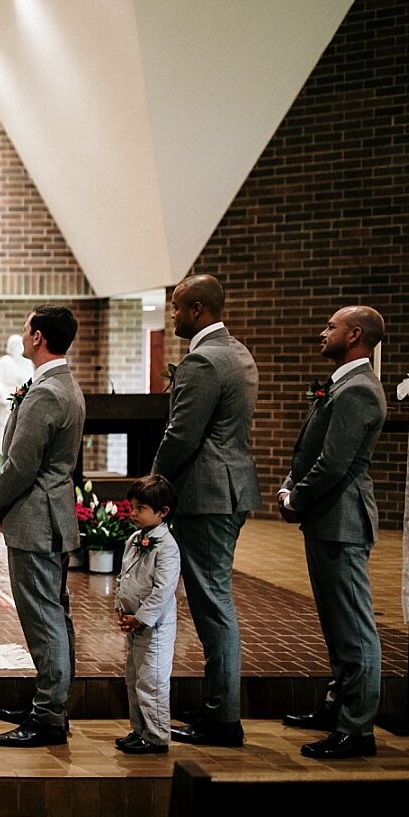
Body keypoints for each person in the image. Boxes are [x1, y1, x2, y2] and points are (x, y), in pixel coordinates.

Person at [151, 274, 259, 747]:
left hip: (206, 495)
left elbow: (181, 435)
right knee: (215, 601)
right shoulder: (239, 353)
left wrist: (153, 484)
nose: (171, 315)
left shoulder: (203, 360)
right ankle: (219, 705)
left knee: (213, 605)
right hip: (231, 489)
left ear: (197, 310)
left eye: (175, 307)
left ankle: (222, 718)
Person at [278, 306, 388, 759]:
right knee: (335, 624)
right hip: (327, 517)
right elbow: (312, 449)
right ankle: (338, 706)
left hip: (342, 518)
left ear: (355, 334)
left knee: (354, 628)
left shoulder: (359, 390)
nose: (322, 333)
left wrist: (296, 497)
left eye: (331, 327)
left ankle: (357, 728)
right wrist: (289, 484)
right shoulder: (343, 383)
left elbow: (334, 463)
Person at [0, 305, 85, 747]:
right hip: (51, 512)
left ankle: (48, 716)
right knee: (53, 611)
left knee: (43, 616)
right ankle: (50, 701)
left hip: (36, 515)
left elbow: (22, 464)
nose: (22, 336)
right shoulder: (59, 384)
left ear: (39, 337)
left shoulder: (47, 392)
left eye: (26, 329)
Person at [113, 475, 181, 756]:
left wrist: (141, 617)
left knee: (151, 680)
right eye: (132, 507)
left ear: (162, 512)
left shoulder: (167, 547)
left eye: (140, 508)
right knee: (134, 678)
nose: (133, 513)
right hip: (135, 623)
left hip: (155, 627)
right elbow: (125, 576)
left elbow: (163, 590)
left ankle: (156, 736)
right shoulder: (134, 539)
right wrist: (122, 606)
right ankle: (139, 729)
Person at [0, 333, 33, 451]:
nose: (15, 348)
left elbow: (30, 381)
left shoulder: (27, 362)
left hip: (23, 400)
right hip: (8, 398)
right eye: (13, 345)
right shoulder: (4, 361)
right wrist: (5, 397)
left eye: (18, 345)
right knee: (6, 427)